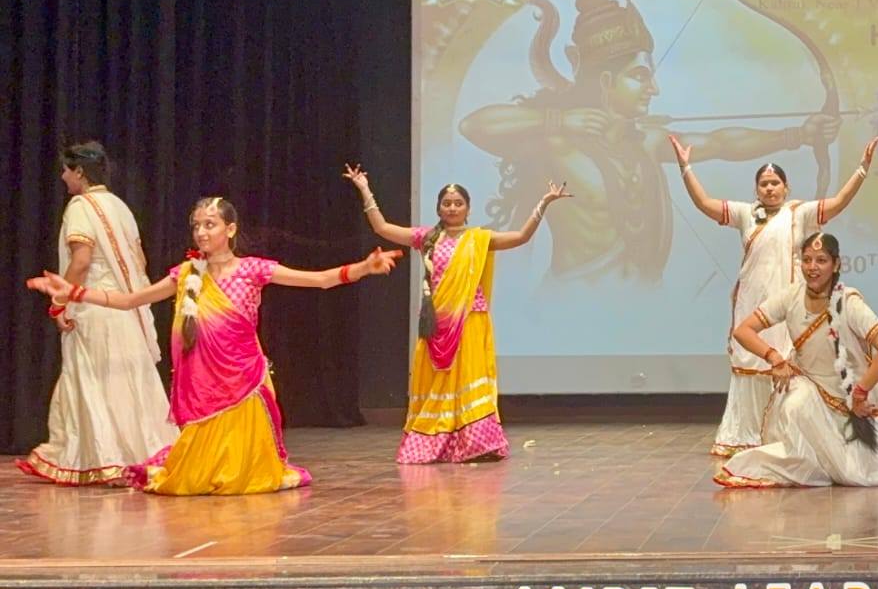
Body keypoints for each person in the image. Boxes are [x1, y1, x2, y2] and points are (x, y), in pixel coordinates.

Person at [458, 0, 839, 282]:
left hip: (646, 304)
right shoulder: (559, 143)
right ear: (606, 81)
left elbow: (720, 143)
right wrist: (557, 119)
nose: (653, 89)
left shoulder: (647, 140)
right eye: (640, 77)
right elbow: (473, 125)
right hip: (571, 308)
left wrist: (798, 136)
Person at [24, 196, 402, 495]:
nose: (202, 232)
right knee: (188, 482)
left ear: (230, 229)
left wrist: (363, 268)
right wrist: (74, 292)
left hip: (243, 382)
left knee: (244, 479)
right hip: (202, 386)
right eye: (197, 225)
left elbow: (318, 280)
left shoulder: (253, 269)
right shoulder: (186, 274)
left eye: (210, 224)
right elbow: (129, 301)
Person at [343, 166, 571, 463]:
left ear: (468, 208)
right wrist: (364, 188)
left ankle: (477, 444)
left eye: (458, 203)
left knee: (469, 377)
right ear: (439, 208)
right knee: (437, 380)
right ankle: (433, 442)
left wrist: (544, 203)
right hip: (436, 323)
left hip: (471, 320)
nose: (452, 208)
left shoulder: (480, 238)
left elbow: (520, 237)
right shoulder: (427, 237)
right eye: (447, 203)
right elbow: (383, 229)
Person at [671, 135, 878, 456]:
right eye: (764, 184)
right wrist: (685, 168)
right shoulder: (745, 214)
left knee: (789, 364)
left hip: (787, 306)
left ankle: (787, 435)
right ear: (756, 190)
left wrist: (862, 169)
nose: (769, 188)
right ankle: (745, 436)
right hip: (752, 303)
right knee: (751, 361)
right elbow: (704, 203)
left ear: (786, 187)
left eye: (775, 183)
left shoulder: (799, 213)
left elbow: (837, 202)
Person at [16, 142, 176, 485]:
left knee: (94, 381)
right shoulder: (120, 207)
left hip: (93, 309)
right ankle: (141, 458)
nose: (63, 177)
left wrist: (62, 302)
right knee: (126, 381)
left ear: (80, 172)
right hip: (124, 308)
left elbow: (81, 261)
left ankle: (104, 460)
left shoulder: (80, 206)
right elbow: (140, 262)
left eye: (66, 170)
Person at [715, 232, 878, 488]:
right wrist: (775, 358)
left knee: (856, 475)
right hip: (807, 383)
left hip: (845, 398)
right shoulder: (791, 296)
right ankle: (805, 464)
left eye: (821, 260)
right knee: (796, 406)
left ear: (836, 264)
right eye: (807, 260)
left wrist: (860, 393)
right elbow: (743, 330)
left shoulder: (848, 302)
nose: (812, 267)